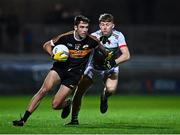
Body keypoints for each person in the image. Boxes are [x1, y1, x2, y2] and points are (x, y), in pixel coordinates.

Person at [12, 15, 112, 127]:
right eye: (82, 27)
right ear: (75, 27)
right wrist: (53, 55)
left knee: (55, 105)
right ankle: (23, 120)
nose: (84, 30)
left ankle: (67, 103)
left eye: (86, 27)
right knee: (44, 90)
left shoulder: (92, 41)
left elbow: (105, 53)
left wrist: (106, 58)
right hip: (60, 68)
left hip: (75, 74)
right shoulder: (65, 37)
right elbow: (46, 45)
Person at [66, 13, 131, 125]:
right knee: (79, 92)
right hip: (94, 68)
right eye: (102, 24)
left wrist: (113, 63)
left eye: (107, 24)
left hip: (111, 68)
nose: (105, 27)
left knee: (111, 90)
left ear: (113, 25)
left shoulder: (118, 36)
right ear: (99, 26)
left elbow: (126, 55)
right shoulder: (93, 36)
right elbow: (84, 53)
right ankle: (74, 120)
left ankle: (104, 96)